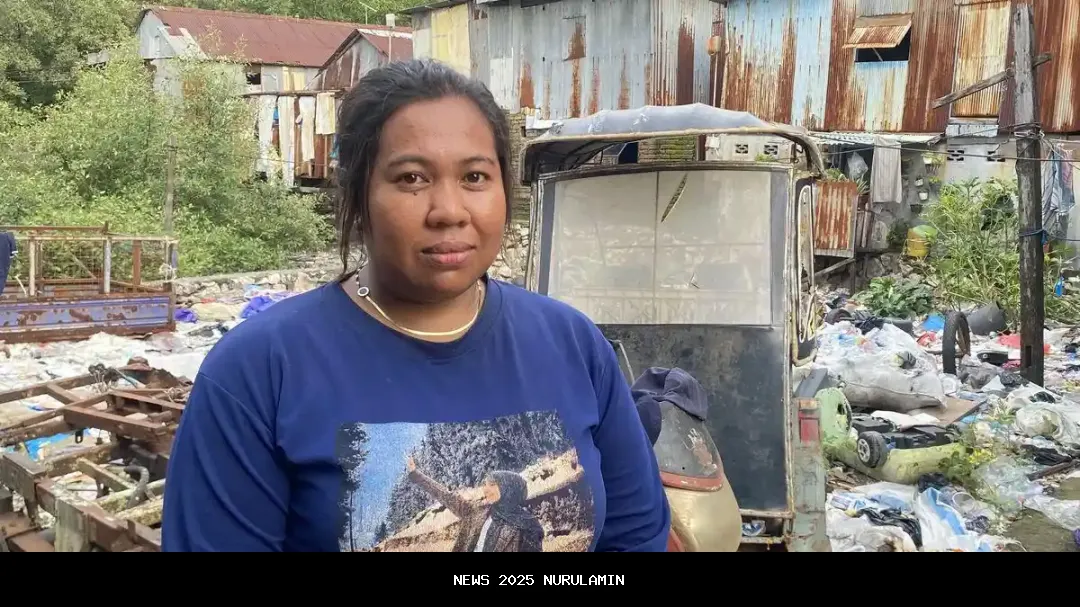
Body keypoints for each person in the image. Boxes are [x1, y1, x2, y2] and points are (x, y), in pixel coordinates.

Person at [161, 58, 670, 552]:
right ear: (358, 194)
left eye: (475, 177)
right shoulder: (258, 371)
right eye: (411, 178)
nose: (449, 211)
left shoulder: (571, 344)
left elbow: (635, 535)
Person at [404, 457, 544, 552]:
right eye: (485, 484)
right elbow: (445, 495)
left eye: (492, 484)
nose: (485, 489)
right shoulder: (476, 510)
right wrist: (416, 475)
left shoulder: (529, 526)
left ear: (509, 489)